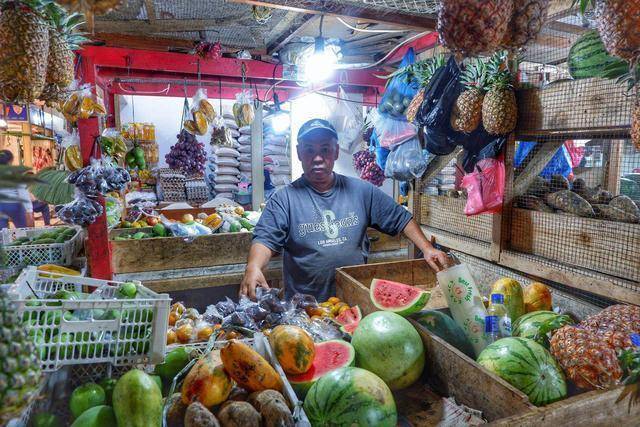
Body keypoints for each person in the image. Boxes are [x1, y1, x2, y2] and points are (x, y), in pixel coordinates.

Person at [240, 119, 450, 301]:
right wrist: (254, 266)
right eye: (309, 150)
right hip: (305, 308)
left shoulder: (360, 190)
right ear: (298, 153)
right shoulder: (284, 199)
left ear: (336, 151)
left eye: (325, 149)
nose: (318, 157)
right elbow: (265, 239)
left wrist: (426, 248)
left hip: (354, 299)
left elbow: (400, 218)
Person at [0, 150, 34, 229]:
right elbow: (23, 193)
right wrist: (29, 210)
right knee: (23, 230)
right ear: (10, 161)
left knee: (2, 234)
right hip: (14, 205)